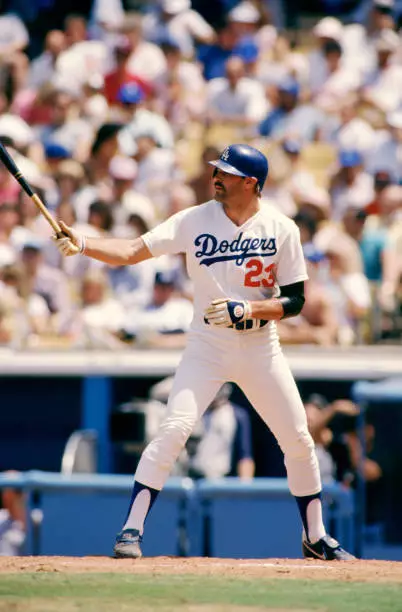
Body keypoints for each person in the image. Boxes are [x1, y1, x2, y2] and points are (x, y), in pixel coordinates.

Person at [54, 143, 354, 561]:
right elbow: (131, 251)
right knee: (174, 428)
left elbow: (295, 301)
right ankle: (130, 531)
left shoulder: (281, 227)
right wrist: (83, 243)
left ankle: (316, 536)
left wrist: (248, 307)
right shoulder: (195, 219)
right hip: (208, 344)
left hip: (259, 345)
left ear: (251, 183)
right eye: (217, 170)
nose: (216, 177)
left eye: (226, 173)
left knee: (299, 438)